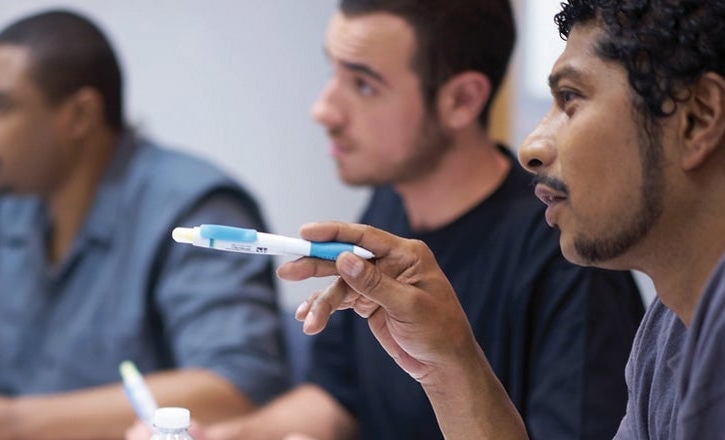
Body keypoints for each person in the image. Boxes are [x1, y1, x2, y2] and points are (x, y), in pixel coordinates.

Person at [282, 0, 725, 438]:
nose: (532, 147)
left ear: (698, 119)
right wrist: (448, 365)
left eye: (570, 100)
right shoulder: (673, 325)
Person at [128, 1, 644, 439]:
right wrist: (232, 435)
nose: (324, 109)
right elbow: (336, 395)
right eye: (333, 72)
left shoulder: (566, 250)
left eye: (364, 85)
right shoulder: (388, 208)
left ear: (462, 100)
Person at [0, 10, 289, 438]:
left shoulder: (194, 210)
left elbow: (235, 388)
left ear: (80, 116)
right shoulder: (9, 203)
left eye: (0, 106)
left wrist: (8, 421)